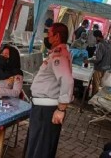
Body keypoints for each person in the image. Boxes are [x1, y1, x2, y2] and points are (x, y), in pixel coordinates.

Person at [26, 23, 74, 158]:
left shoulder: (59, 55)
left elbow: (67, 80)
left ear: (57, 36)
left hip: (46, 111)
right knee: (38, 146)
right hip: (42, 108)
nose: (47, 37)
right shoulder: (56, 53)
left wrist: (61, 109)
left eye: (49, 34)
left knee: (40, 150)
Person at [88, 30, 111, 96]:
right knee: (100, 85)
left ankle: (93, 99)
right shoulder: (108, 44)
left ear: (98, 37)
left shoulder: (100, 45)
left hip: (99, 68)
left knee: (96, 84)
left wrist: (89, 60)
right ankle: (96, 98)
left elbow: (98, 58)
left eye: (95, 38)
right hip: (106, 67)